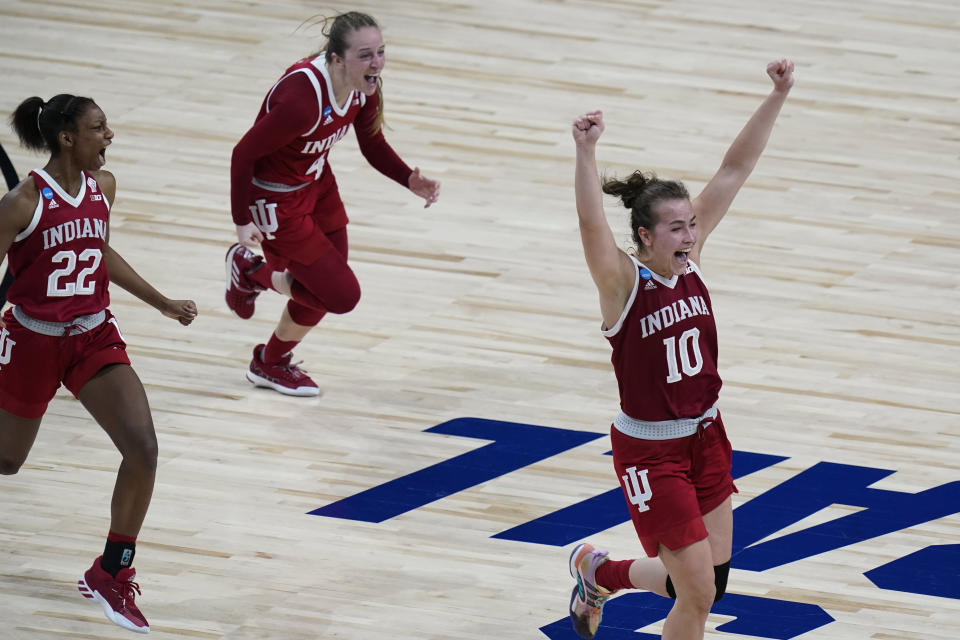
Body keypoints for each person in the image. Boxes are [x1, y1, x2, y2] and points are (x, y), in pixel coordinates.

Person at [567, 59, 795, 640]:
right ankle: (599, 574)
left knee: (709, 582)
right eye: (675, 227)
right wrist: (586, 154)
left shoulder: (692, 260)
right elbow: (591, 225)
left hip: (707, 434)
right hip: (651, 451)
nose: (690, 234)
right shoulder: (623, 284)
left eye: (691, 224)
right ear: (645, 236)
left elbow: (735, 167)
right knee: (695, 593)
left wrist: (778, 94)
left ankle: (599, 572)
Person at [0, 94, 198, 633]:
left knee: (144, 447)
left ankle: (110, 573)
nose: (109, 135)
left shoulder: (102, 187)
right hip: (32, 341)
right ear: (68, 138)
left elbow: (98, 250)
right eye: (99, 128)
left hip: (92, 335)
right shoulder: (21, 203)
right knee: (7, 463)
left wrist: (160, 302)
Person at [224, 10, 441, 396]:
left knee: (326, 287)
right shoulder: (302, 101)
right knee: (340, 295)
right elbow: (242, 154)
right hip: (274, 199)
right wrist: (242, 221)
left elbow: (372, 143)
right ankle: (250, 271)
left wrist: (409, 179)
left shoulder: (364, 86)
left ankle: (269, 363)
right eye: (365, 55)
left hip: (317, 182)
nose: (376, 63)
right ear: (337, 59)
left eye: (380, 52)